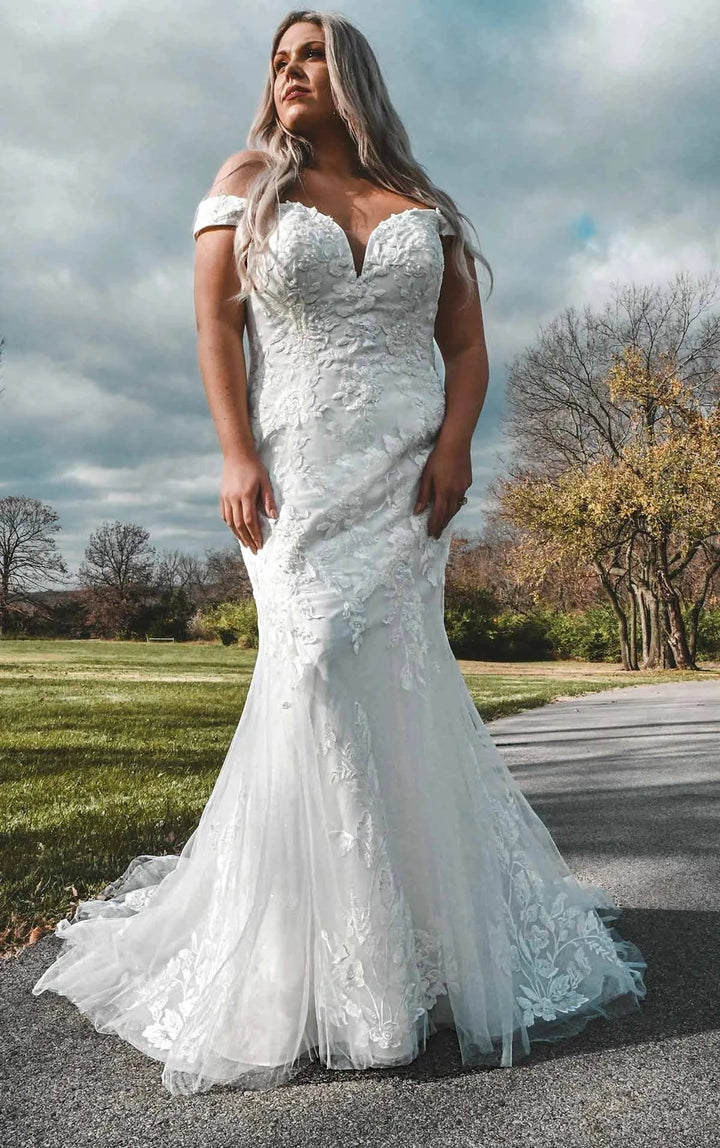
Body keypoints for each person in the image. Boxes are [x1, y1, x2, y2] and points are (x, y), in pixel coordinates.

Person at [32, 10, 646, 1097]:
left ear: (351, 71)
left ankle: (424, 934)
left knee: (397, 685)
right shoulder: (248, 179)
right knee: (310, 668)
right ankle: (327, 963)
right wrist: (233, 451)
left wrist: (458, 442)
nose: (288, 71)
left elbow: (464, 342)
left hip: (408, 477)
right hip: (300, 472)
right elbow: (217, 326)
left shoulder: (424, 207)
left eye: (309, 54)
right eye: (277, 59)